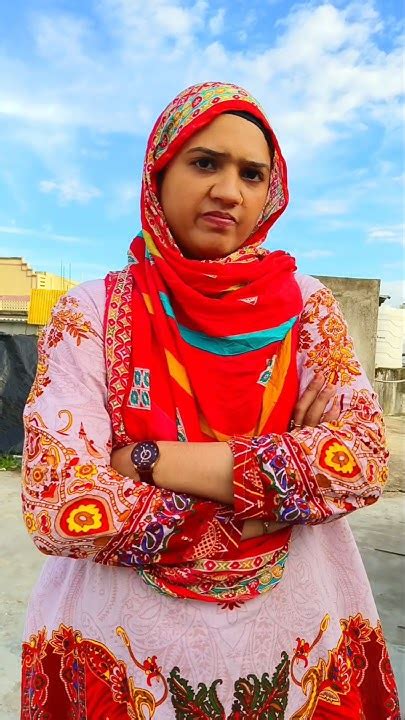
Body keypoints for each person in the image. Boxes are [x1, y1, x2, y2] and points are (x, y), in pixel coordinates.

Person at [21, 82, 400, 719]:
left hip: (295, 630)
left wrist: (148, 459)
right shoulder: (90, 312)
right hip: (123, 642)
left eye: (253, 174)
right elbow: (59, 503)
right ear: (158, 173)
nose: (230, 191)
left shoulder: (305, 306)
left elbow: (361, 462)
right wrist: (286, 480)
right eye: (205, 163)